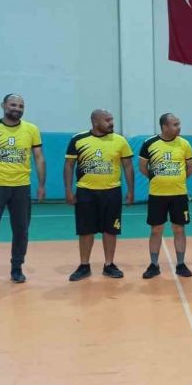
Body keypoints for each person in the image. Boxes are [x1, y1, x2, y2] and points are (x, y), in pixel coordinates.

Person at [64, 109, 134, 281]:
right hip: (85, 192)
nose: (111, 123)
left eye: (112, 119)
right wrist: (68, 190)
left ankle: (109, 264)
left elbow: (127, 166)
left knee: (111, 230)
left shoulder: (120, 141)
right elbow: (69, 165)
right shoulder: (78, 140)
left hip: (112, 192)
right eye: (107, 120)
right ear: (95, 122)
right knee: (85, 230)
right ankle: (84, 266)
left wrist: (131, 191)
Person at [0, 94, 46, 285]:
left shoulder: (31, 129)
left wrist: (41, 185)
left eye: (20, 106)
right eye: (13, 105)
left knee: (21, 229)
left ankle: (17, 268)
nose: (17, 108)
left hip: (21, 186)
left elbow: (39, 158)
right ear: (3, 105)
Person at [138, 113, 192, 279]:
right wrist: (157, 179)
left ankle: (181, 264)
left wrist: (177, 180)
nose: (179, 127)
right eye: (175, 124)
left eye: (179, 124)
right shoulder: (149, 143)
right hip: (157, 195)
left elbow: (191, 167)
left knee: (179, 229)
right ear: (164, 127)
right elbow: (142, 167)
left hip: (179, 195)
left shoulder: (184, 144)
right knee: (156, 230)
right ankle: (154, 265)